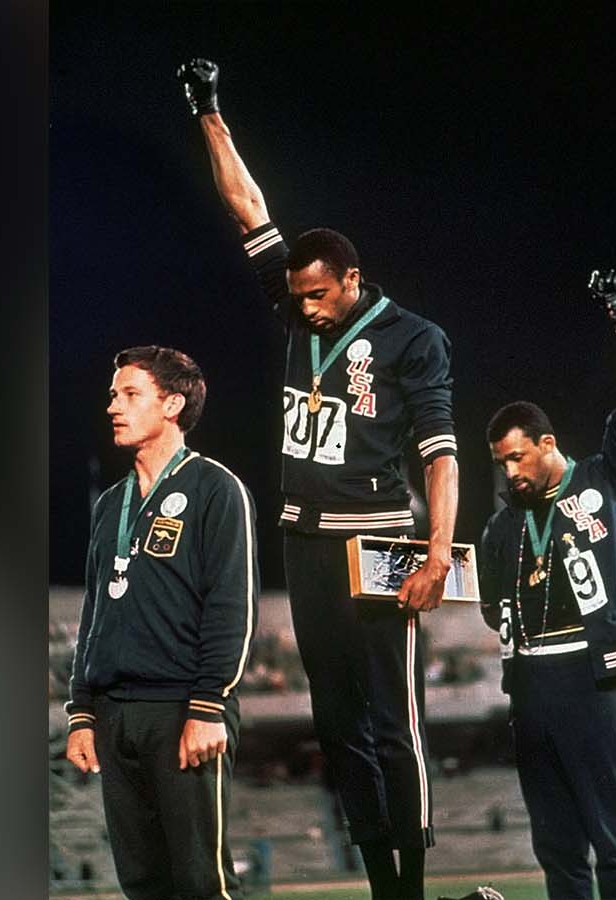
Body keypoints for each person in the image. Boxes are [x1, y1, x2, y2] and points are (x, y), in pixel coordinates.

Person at [176, 58, 459, 899]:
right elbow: (248, 208)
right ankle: (380, 883)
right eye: (296, 297)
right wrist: (209, 112)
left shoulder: (415, 340)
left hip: (380, 542)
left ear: (353, 280)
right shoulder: (296, 306)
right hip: (304, 541)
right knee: (338, 726)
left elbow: (441, 454)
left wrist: (438, 552)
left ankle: (412, 881)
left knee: (393, 722)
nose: (303, 309)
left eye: (318, 296)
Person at [479, 269, 616, 899]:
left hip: (593, 675)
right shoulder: (501, 528)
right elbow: (487, 609)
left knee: (614, 843)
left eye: (517, 457)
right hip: (528, 684)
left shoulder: (601, 481)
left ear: (547, 444)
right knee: (556, 849)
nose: (510, 471)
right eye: (501, 461)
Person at [64, 346, 258, 900]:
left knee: (203, 883)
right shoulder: (110, 506)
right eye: (112, 395)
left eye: (130, 394)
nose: (113, 407)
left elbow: (231, 607)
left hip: (182, 711)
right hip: (113, 713)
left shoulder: (216, 490)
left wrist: (207, 705)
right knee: (144, 884)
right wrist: (81, 712)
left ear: (172, 404)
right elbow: (94, 613)